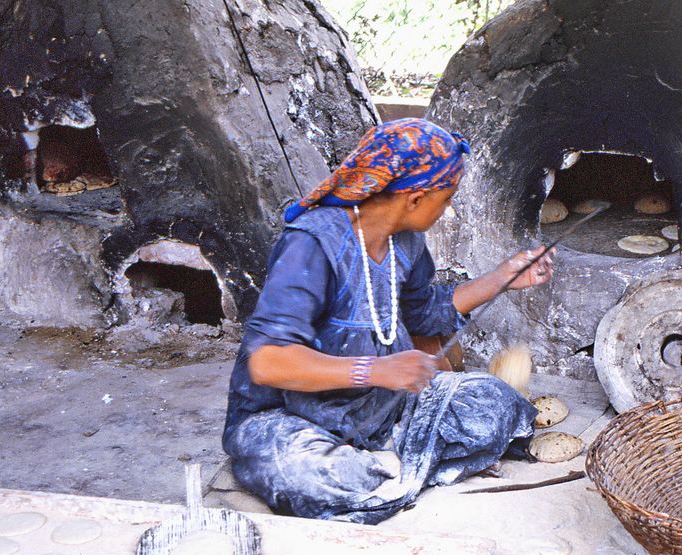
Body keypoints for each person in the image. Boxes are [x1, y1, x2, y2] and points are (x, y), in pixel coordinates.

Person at [222, 118, 555, 524]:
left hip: (384, 411)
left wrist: (503, 278)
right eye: (446, 198)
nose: (447, 208)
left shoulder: (407, 241)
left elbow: (425, 313)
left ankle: (386, 470)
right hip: (293, 419)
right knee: (306, 472)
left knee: (497, 406)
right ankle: (391, 469)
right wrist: (377, 370)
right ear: (414, 199)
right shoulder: (311, 243)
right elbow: (268, 362)